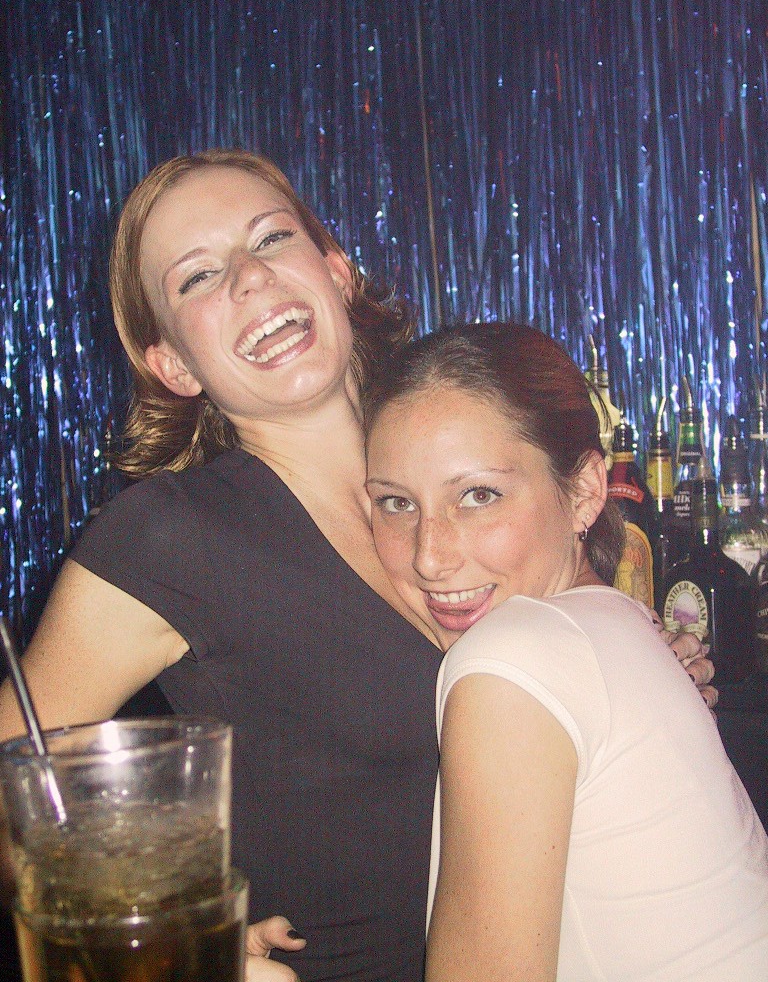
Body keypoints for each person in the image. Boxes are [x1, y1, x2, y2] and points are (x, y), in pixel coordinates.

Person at [0, 150, 714, 982]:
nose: (249, 277)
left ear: (337, 273)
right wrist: (166, 936)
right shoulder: (169, 535)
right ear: (173, 365)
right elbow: (17, 782)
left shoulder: (443, 464)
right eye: (197, 277)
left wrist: (634, 680)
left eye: (271, 238)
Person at [363, 321, 768, 982]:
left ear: (583, 491)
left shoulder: (510, 658)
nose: (429, 557)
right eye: (397, 503)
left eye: (479, 496)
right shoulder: (616, 621)